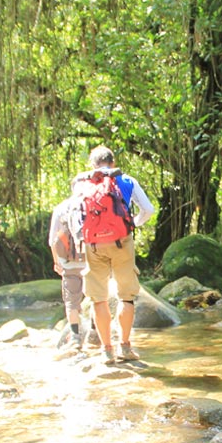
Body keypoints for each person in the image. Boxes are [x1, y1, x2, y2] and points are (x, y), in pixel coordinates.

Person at [76, 145, 155, 366]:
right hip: (122, 241)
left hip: (93, 245)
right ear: (113, 161)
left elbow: (76, 215)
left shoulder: (83, 183)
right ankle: (125, 347)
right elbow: (148, 209)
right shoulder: (126, 180)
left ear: (93, 165)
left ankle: (106, 351)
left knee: (98, 298)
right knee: (126, 295)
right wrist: (132, 225)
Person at [48, 181, 88, 349]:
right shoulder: (91, 205)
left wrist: (57, 261)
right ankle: (95, 332)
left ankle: (75, 337)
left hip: (68, 262)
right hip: (91, 261)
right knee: (97, 297)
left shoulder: (61, 208)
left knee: (71, 302)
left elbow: (52, 240)